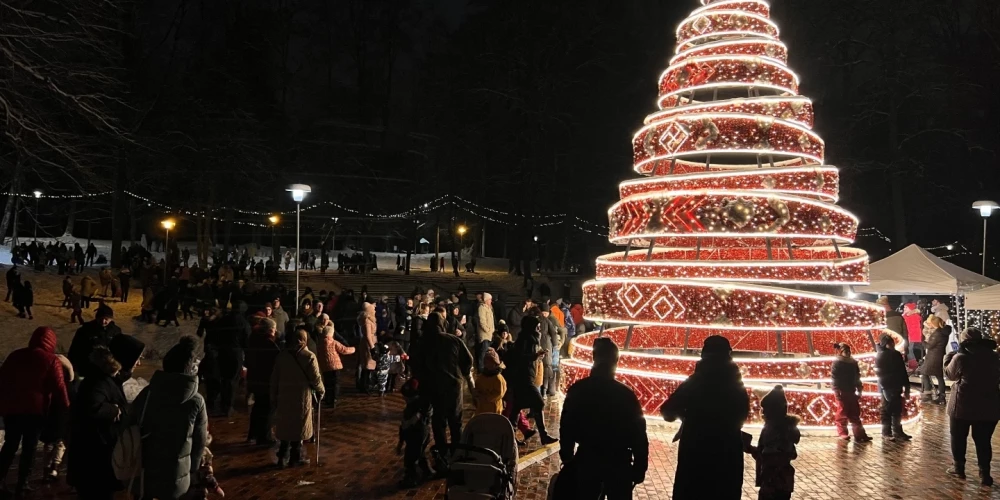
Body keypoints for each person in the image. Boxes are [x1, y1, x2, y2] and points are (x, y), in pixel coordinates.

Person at [660, 335, 749, 500]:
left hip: (696, 455)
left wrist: (685, 416)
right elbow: (742, 416)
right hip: (727, 457)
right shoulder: (736, 385)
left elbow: (667, 411)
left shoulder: (695, 382)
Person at [557, 338, 647, 500]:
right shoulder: (626, 394)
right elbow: (639, 434)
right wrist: (640, 468)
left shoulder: (579, 389)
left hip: (588, 459)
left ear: (594, 358)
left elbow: (567, 426)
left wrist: (567, 456)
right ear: (616, 361)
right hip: (618, 463)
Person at [128, 337, 208, 500]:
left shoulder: (148, 393)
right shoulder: (196, 401)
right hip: (178, 470)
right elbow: (199, 440)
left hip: (147, 464)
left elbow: (131, 423)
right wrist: (192, 469)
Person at [68, 335, 145, 499]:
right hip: (93, 462)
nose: (139, 363)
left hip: (97, 458)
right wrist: (112, 410)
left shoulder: (107, 375)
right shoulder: (99, 381)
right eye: (137, 359)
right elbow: (90, 407)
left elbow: (119, 378)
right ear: (125, 358)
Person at [0, 327, 70, 497]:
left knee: (10, 445)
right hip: (34, 411)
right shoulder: (51, 360)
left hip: (12, 409)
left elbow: (2, 379)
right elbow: (59, 387)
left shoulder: (15, 355)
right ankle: (22, 483)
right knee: (29, 448)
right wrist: (66, 407)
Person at [410, 312, 476, 472]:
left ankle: (442, 453)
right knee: (456, 421)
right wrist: (461, 372)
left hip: (432, 386)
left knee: (438, 421)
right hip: (453, 385)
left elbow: (415, 364)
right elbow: (468, 360)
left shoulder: (423, 342)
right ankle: (457, 452)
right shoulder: (453, 340)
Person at [944, 327, 1000, 485]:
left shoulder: (961, 356)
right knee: (983, 441)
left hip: (962, 406)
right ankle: (985, 474)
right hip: (989, 405)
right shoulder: (994, 356)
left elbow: (950, 374)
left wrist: (948, 357)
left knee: (958, 437)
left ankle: (959, 468)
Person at [270, 329, 325, 467]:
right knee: (298, 425)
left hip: (284, 395)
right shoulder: (309, 356)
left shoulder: (282, 356)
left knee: (286, 425)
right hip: (301, 396)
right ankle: (296, 456)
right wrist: (321, 391)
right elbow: (316, 378)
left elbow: (274, 378)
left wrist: (273, 395)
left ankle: (283, 456)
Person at [502, 316, 558, 446]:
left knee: (517, 407)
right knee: (538, 403)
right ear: (531, 327)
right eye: (537, 326)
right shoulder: (526, 339)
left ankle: (513, 439)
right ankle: (541, 436)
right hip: (523, 378)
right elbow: (521, 357)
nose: (539, 328)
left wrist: (536, 355)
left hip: (525, 377)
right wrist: (536, 355)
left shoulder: (529, 338)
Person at [747, 386, 800, 500]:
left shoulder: (775, 429)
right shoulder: (779, 428)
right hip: (780, 481)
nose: (763, 412)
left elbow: (771, 455)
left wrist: (753, 450)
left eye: (766, 408)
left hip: (774, 480)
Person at [245, 318, 281, 445]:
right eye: (274, 328)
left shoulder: (253, 339)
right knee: (267, 409)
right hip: (266, 381)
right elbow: (277, 359)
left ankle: (253, 434)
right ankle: (265, 437)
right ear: (270, 329)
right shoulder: (268, 343)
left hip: (254, 379)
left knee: (258, 408)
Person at [830, 343, 872, 442]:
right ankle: (843, 433)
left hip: (851, 390)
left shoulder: (853, 362)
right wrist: (836, 390)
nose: (848, 353)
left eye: (849, 351)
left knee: (855, 414)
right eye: (846, 351)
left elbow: (857, 376)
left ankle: (859, 434)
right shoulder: (837, 363)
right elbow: (835, 378)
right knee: (842, 414)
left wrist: (859, 388)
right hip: (842, 391)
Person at [67, 303, 120, 376]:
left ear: (111, 319)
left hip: (107, 369)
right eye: (101, 318)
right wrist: (73, 367)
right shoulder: (85, 330)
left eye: (106, 319)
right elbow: (75, 349)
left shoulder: (115, 331)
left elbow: (119, 350)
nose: (103, 321)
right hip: (88, 368)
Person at [875, 333, 911, 441]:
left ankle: (896, 431)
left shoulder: (894, 354)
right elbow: (881, 374)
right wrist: (885, 387)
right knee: (887, 410)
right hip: (887, 387)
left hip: (893, 385)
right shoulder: (883, 356)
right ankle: (887, 432)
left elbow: (902, 371)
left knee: (896, 410)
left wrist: (906, 386)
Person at [397, 379, 433, 487]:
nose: (404, 399)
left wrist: (401, 440)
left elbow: (406, 425)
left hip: (417, 435)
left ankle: (412, 478)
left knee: (410, 459)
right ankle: (428, 471)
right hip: (417, 435)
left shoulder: (418, 407)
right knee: (420, 454)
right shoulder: (415, 406)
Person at [317, 325, 355, 407]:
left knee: (327, 384)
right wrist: (353, 349)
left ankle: (328, 399)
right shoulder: (333, 342)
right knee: (335, 383)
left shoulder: (320, 343)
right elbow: (344, 350)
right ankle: (334, 399)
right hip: (335, 366)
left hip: (325, 367)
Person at [921, 315, 949, 404]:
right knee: (939, 376)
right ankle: (941, 396)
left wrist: (923, 341)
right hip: (938, 356)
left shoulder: (937, 334)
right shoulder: (944, 333)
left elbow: (929, 346)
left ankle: (927, 393)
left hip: (932, 357)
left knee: (924, 373)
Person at [473, 348, 506, 415]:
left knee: (492, 423)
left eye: (489, 363)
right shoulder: (482, 377)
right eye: (485, 363)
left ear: (495, 364)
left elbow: (499, 393)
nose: (487, 365)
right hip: (482, 407)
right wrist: (476, 393)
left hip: (494, 407)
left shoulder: (498, 378)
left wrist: (486, 398)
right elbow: (477, 386)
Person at [357, 302, 378, 393]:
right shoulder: (367, 321)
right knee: (367, 366)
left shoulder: (369, 319)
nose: (374, 310)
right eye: (372, 309)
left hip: (371, 342)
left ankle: (365, 385)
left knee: (368, 365)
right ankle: (365, 386)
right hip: (368, 344)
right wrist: (372, 347)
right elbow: (368, 336)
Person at [476, 292, 496, 372]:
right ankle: (481, 369)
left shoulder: (489, 308)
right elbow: (482, 321)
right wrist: (487, 329)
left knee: (486, 351)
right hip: (485, 334)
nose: (491, 301)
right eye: (490, 299)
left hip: (489, 334)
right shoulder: (482, 308)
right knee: (483, 352)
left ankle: (486, 367)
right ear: (486, 300)